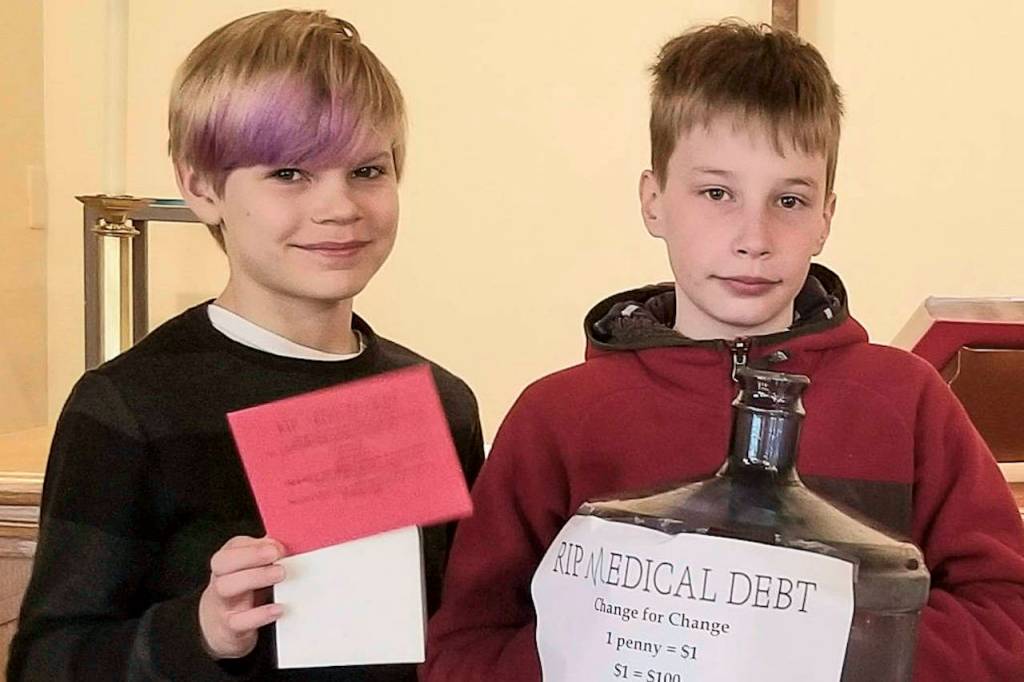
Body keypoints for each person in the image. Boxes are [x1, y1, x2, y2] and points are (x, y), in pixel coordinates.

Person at [423, 20, 1024, 681]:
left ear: (826, 215)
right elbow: (465, 647)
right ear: (654, 201)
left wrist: (825, 654)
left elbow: (1006, 611)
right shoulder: (556, 417)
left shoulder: (906, 402)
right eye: (716, 193)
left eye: (789, 200)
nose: (753, 237)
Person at [9, 10, 483, 681]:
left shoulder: (441, 403)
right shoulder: (129, 409)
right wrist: (201, 630)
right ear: (201, 186)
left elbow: (463, 632)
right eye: (290, 173)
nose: (339, 206)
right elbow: (46, 663)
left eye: (367, 171)